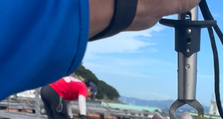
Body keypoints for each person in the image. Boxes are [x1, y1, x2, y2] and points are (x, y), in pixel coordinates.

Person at [0, 1, 201, 100]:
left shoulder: (77, 86)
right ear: (89, 89)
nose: (89, 95)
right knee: (58, 118)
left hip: (49, 90)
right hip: (51, 90)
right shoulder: (79, 88)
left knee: (58, 118)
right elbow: (77, 103)